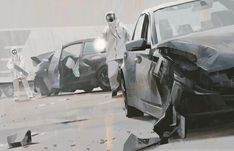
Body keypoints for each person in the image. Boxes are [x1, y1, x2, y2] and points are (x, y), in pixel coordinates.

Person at [103, 11, 130, 97]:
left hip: (122, 53)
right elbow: (103, 40)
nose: (110, 18)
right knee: (111, 75)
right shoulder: (105, 30)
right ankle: (114, 88)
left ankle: (127, 89)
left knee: (125, 73)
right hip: (111, 55)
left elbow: (128, 37)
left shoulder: (122, 27)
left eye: (111, 16)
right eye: (108, 17)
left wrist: (128, 47)